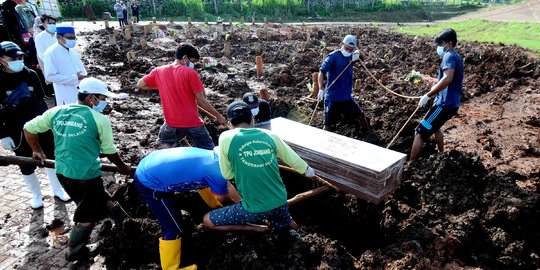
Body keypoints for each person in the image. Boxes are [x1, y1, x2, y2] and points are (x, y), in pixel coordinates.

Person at [23, 77, 132, 262]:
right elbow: (109, 150)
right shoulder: (99, 120)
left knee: (103, 199)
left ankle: (127, 224)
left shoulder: (57, 111)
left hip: (62, 171)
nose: (104, 102)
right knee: (86, 217)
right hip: (85, 175)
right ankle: (75, 252)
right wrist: (123, 168)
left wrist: (36, 149)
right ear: (91, 98)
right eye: (102, 98)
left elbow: (29, 128)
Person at [203, 101, 315, 233]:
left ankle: (257, 228)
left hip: (253, 209)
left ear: (229, 123)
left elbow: (227, 175)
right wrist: (308, 171)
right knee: (284, 223)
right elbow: (293, 159)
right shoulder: (270, 135)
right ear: (252, 118)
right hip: (280, 201)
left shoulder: (226, 137)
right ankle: (299, 233)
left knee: (207, 220)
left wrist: (241, 164)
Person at [135, 147, 241, 270]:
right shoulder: (217, 173)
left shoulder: (213, 157)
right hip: (150, 183)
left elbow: (205, 183)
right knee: (173, 226)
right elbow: (225, 197)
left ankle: (214, 205)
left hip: (154, 165)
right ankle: (171, 268)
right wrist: (238, 213)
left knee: (202, 182)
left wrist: (217, 205)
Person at [0, 41, 70, 209]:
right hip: (16, 129)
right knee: (25, 163)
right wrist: (2, 134)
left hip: (39, 125)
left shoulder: (31, 74)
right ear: (1, 59)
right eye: (13, 58)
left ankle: (57, 189)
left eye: (20, 57)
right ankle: (36, 195)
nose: (18, 60)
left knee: (51, 157)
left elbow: (41, 101)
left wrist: (48, 122)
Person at [137, 44, 226, 150]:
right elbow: (201, 100)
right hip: (193, 124)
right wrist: (218, 116)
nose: (193, 64)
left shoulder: (158, 71)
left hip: (171, 125)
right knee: (209, 152)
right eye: (192, 61)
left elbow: (140, 84)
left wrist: (162, 85)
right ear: (185, 58)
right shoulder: (190, 73)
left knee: (164, 147)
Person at [410, 29, 463, 160]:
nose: (439, 47)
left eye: (441, 44)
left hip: (443, 105)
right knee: (436, 127)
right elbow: (448, 80)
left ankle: (410, 164)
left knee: (420, 132)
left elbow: (448, 78)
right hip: (452, 104)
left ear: (449, 43)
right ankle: (441, 156)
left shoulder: (448, 56)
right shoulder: (457, 56)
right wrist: (436, 85)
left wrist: (428, 95)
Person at [317, 34, 369, 132]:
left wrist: (358, 52)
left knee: (360, 116)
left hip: (346, 97)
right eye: (347, 48)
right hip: (332, 97)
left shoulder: (352, 57)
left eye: (351, 49)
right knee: (328, 125)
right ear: (342, 44)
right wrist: (320, 88)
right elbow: (321, 72)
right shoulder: (333, 57)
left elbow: (363, 58)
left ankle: (369, 136)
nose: (349, 51)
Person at [43, 24, 88, 106]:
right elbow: (50, 76)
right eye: (69, 38)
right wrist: (75, 77)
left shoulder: (72, 50)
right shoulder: (51, 53)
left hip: (80, 90)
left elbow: (79, 68)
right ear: (59, 37)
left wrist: (85, 77)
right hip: (65, 93)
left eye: (74, 38)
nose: (73, 40)